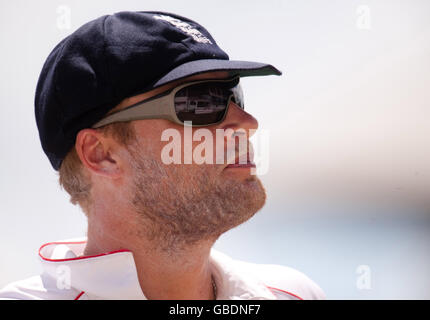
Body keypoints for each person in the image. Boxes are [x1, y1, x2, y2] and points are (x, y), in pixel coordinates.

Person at [0, 11, 325, 300]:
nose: (247, 123)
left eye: (234, 96)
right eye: (201, 102)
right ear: (101, 154)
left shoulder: (296, 293)